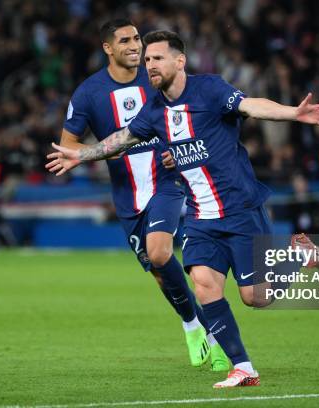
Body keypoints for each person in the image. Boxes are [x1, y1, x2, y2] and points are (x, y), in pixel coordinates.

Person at [46, 30, 319, 387]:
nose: (149, 65)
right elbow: (120, 139)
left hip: (240, 208)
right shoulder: (154, 111)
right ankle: (243, 366)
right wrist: (82, 154)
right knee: (204, 285)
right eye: (147, 60)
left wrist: (293, 112)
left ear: (179, 61)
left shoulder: (210, 89)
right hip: (200, 215)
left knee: (254, 297)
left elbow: (251, 105)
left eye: (156, 59)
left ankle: (300, 257)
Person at [53, 20, 227, 371]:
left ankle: (218, 334)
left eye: (137, 39)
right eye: (126, 40)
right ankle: (193, 325)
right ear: (108, 48)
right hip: (127, 195)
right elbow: (68, 144)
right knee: (158, 270)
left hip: (166, 180)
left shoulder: (157, 78)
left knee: (160, 252)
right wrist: (100, 150)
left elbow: (187, 115)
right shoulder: (89, 93)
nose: (135, 46)